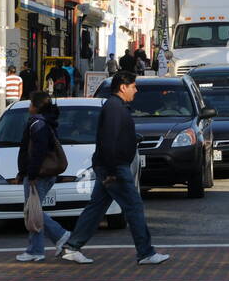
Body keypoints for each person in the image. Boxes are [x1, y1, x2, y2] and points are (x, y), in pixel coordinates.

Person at [59, 71, 169, 266]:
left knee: (97, 207)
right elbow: (108, 140)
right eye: (133, 86)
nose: (136, 90)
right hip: (115, 167)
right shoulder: (114, 108)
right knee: (133, 206)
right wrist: (110, 172)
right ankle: (145, 252)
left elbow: (113, 138)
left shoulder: (116, 107)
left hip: (110, 166)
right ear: (123, 87)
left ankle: (72, 247)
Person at [15, 91, 69, 262]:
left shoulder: (38, 124)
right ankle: (37, 248)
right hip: (42, 173)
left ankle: (58, 237)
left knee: (33, 211)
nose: (28, 107)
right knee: (33, 210)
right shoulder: (46, 122)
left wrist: (30, 173)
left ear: (36, 107)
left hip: (39, 174)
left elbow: (37, 152)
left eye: (31, 103)